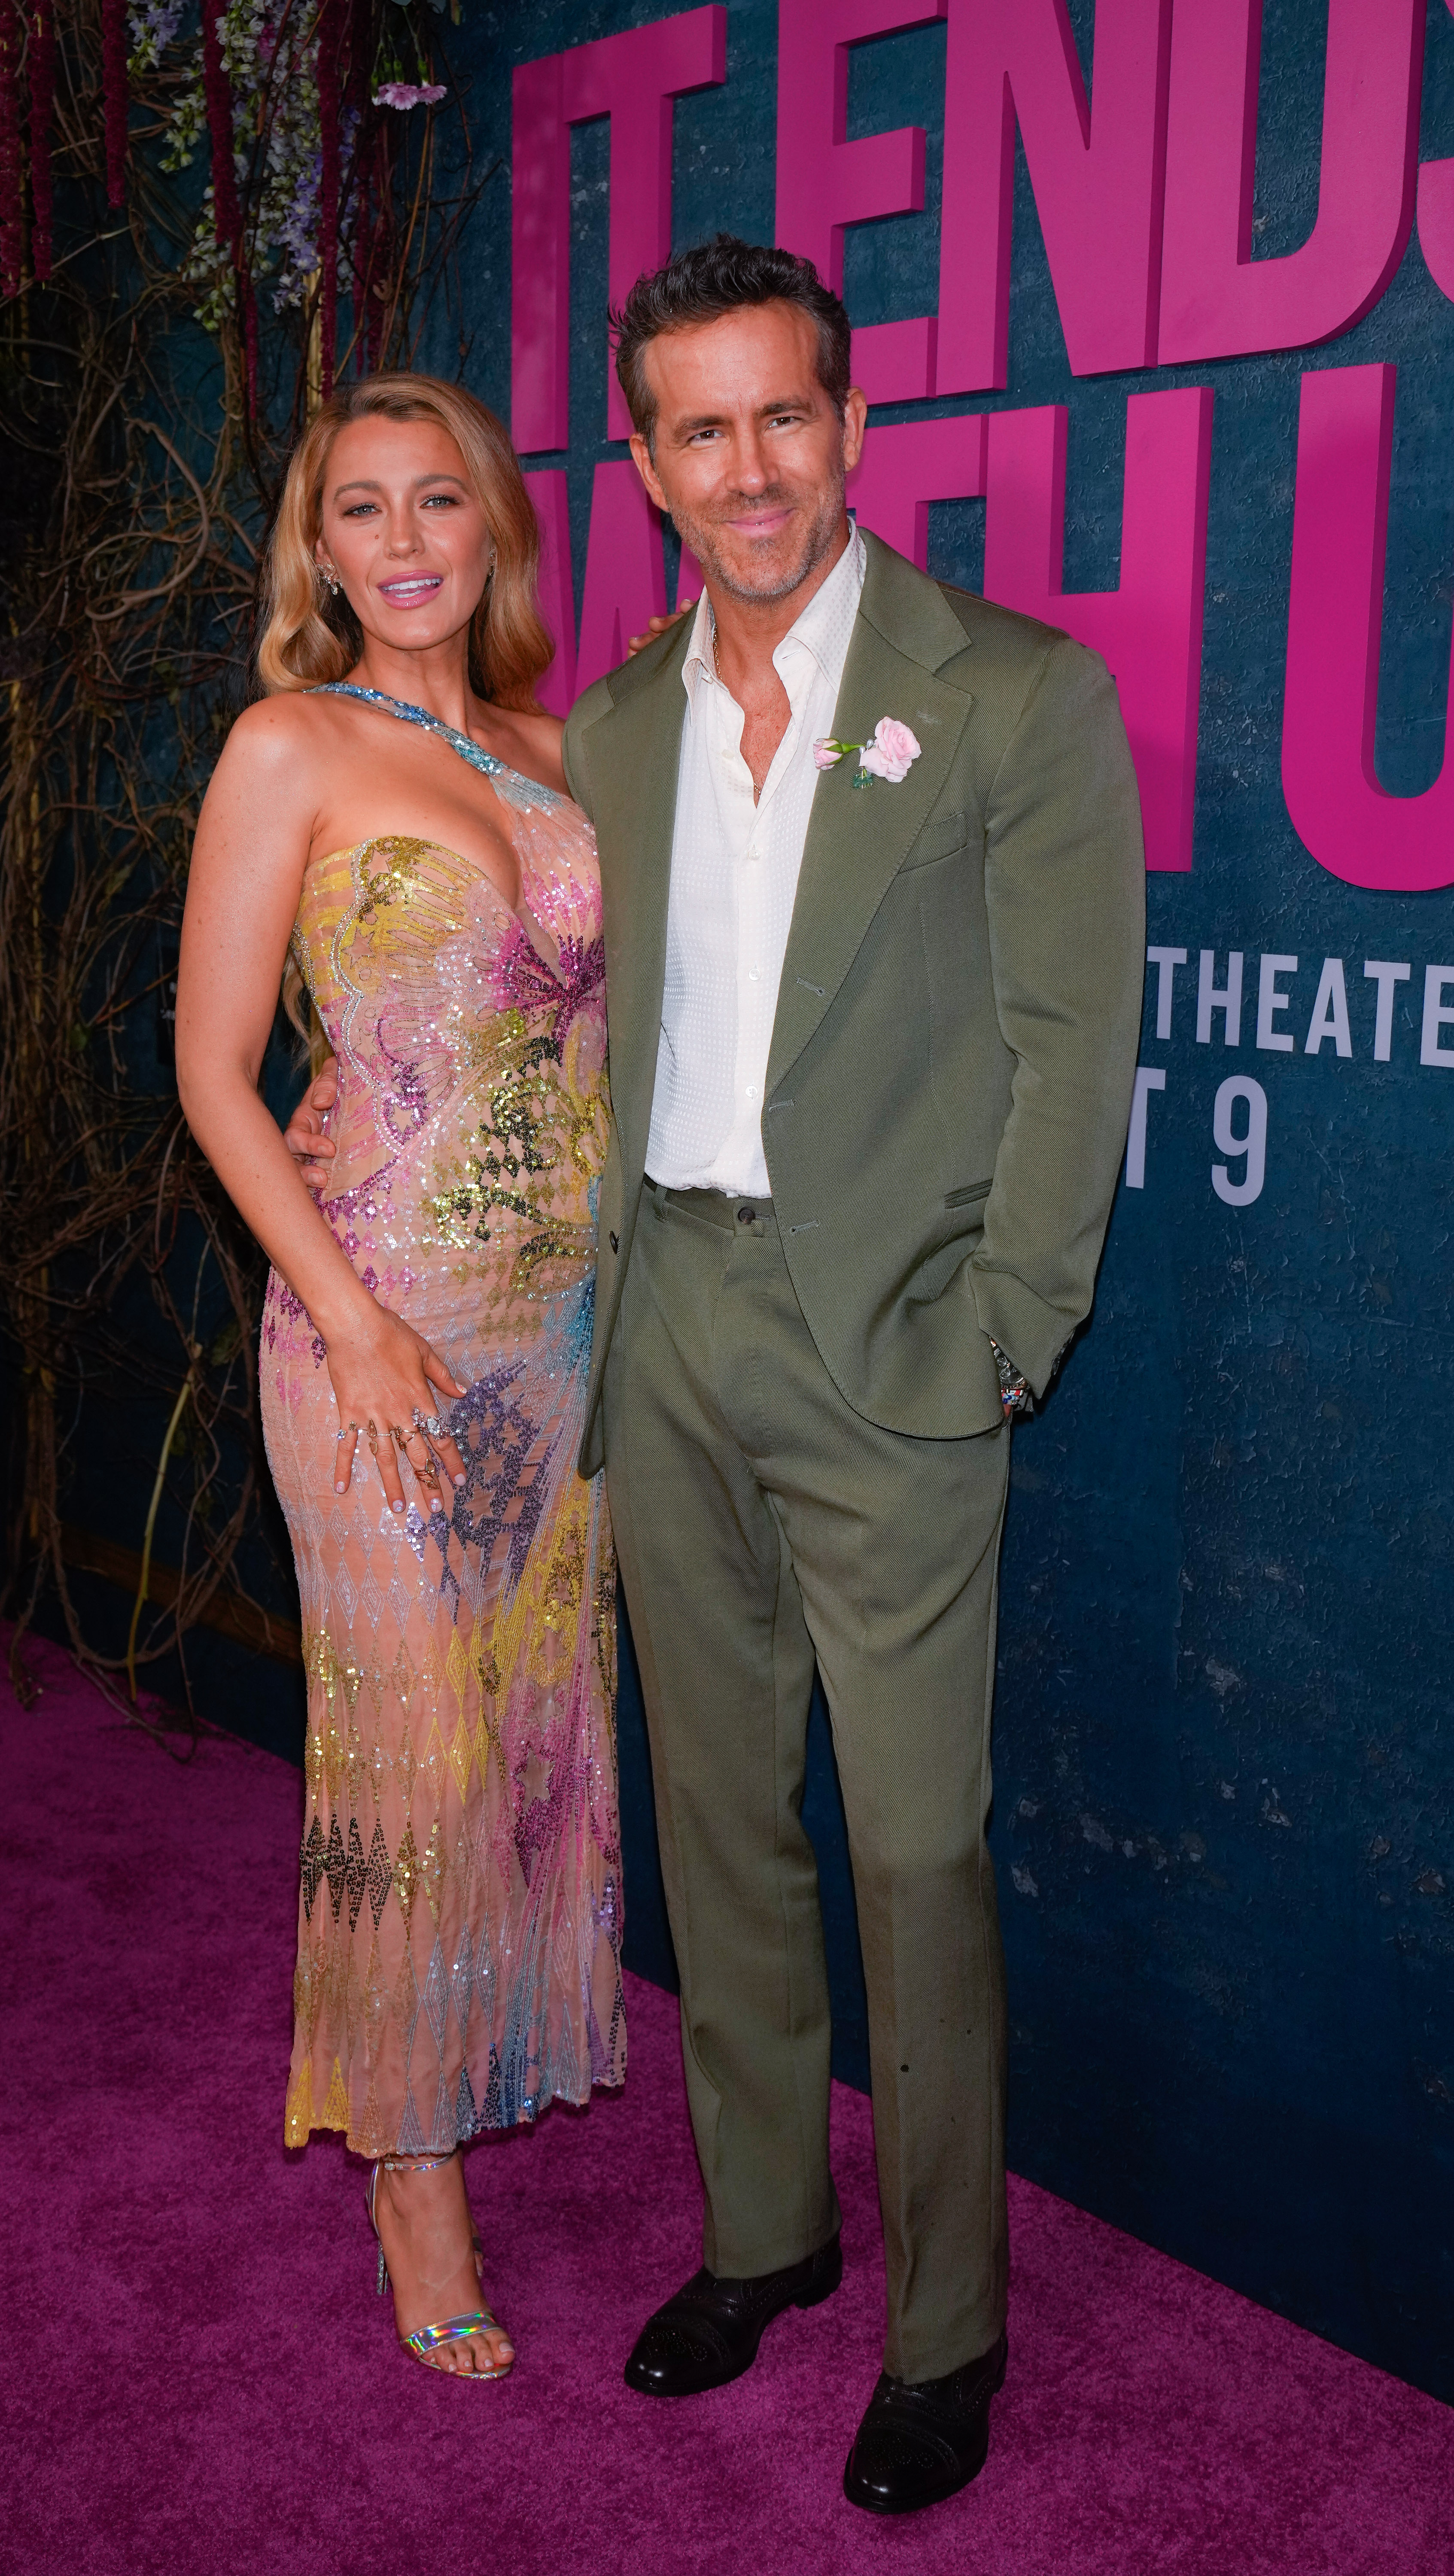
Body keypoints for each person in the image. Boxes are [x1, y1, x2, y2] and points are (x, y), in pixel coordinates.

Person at [562, 236, 1143, 2512]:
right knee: (718, 1836)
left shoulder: (1010, 695)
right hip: (676, 1325)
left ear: (852, 426)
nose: (747, 469)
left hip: (894, 1352)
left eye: (781, 416)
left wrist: (999, 1333)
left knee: (909, 1856)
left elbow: (1061, 1051)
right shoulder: (617, 726)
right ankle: (759, 2238)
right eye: (694, 430)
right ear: (643, 465)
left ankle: (942, 2329)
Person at [175, 375, 624, 2382]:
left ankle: (480, 2062)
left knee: (527, 1734)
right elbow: (206, 1070)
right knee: (413, 1749)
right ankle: (405, 2164)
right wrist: (350, 1312)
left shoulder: (560, 747)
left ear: (497, 529)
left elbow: (595, 1046)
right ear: (322, 551)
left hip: (553, 1334)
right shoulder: (292, 741)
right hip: (367, 1325)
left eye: (439, 498)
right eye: (360, 509)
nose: (404, 537)